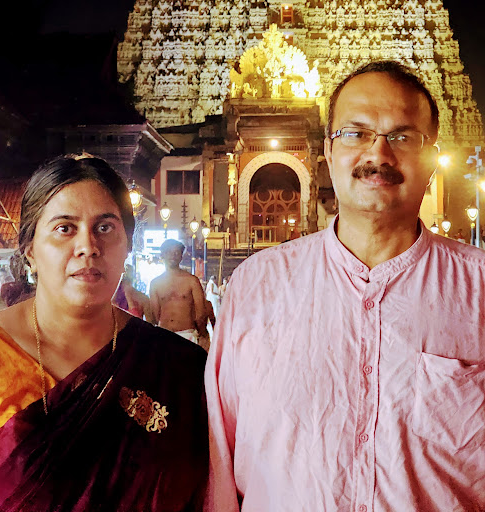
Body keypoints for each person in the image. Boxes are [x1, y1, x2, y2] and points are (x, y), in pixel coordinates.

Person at [205, 61, 485, 512]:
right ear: (327, 153)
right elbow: (222, 459)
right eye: (355, 133)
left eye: (403, 137)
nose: (379, 154)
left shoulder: (479, 289)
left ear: (432, 158)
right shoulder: (255, 287)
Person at [0, 155, 208, 511]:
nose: (88, 246)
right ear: (30, 251)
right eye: (65, 228)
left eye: (105, 227)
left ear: (127, 245)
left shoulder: (178, 367)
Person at [150, 239, 208, 347]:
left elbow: (200, 313)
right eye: (169, 252)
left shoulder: (192, 281)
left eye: (177, 252)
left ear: (182, 256)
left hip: (187, 335)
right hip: (164, 335)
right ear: (162, 255)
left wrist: (203, 335)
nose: (173, 255)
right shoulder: (155, 283)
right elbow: (154, 315)